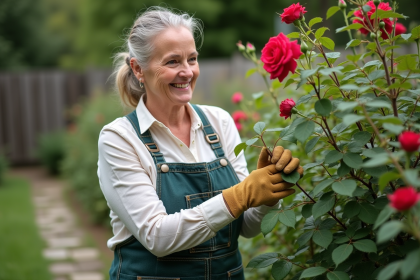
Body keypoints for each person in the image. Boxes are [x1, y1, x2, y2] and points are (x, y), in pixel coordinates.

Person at [97, 7, 303, 280]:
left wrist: (269, 189)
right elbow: (157, 237)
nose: (187, 72)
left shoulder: (219, 123)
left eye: (192, 59)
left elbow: (247, 227)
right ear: (138, 69)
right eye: (172, 62)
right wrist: (239, 195)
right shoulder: (120, 139)